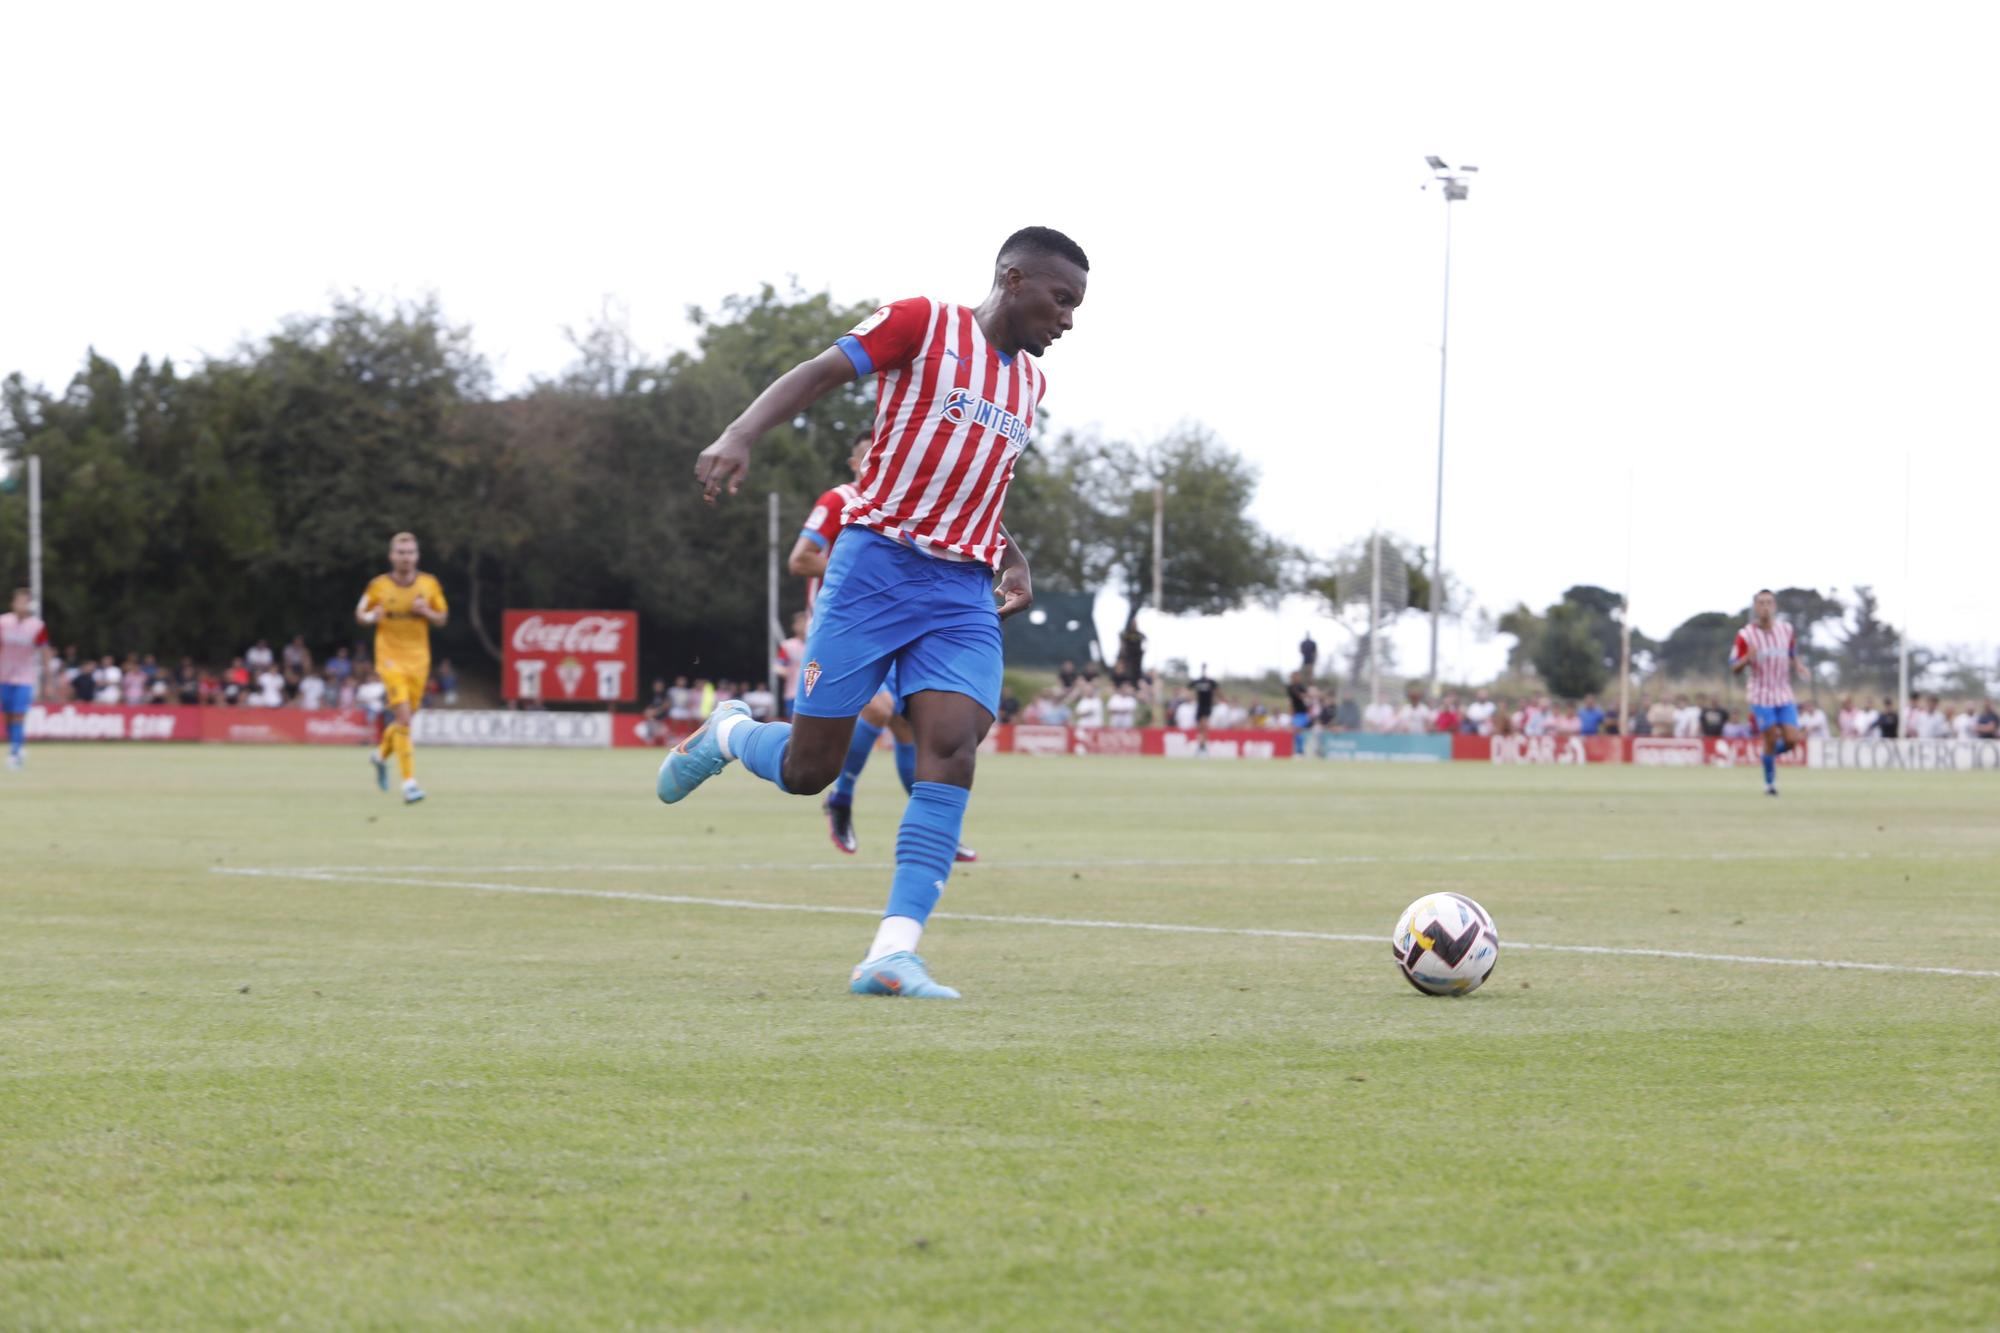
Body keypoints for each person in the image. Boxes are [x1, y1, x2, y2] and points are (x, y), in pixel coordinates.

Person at [658, 225, 1082, 999]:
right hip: (873, 569)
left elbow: (973, 480)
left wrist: (1010, 554)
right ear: (1014, 280)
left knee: (950, 749)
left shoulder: (1032, 387)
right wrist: (741, 431)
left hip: (959, 591)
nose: (1069, 320)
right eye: (1062, 299)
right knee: (807, 769)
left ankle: (892, 950)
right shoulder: (921, 323)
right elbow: (821, 373)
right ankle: (727, 733)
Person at [787, 430, 975, 862]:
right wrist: (865, 568)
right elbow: (800, 559)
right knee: (878, 708)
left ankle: (932, 829)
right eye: (868, 455)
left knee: (907, 723)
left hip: (899, 627)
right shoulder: (841, 500)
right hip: (849, 628)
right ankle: (841, 797)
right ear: (856, 463)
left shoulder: (906, 507)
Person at [356, 531, 448, 804]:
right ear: (391, 556)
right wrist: (373, 616)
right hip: (390, 658)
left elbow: (442, 617)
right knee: (405, 718)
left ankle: (379, 756)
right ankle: (409, 784)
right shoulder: (378, 586)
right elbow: (360, 613)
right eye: (401, 552)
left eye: (410, 553)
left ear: (417, 556)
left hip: (419, 659)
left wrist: (427, 612)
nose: (406, 558)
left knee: (403, 722)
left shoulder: (429, 585)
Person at [1730, 588, 1812, 796]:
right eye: (1761, 603)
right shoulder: (1745, 635)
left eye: (1769, 603)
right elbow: (1734, 668)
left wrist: (1799, 666)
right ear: (1755, 607)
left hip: (1783, 693)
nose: (1765, 607)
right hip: (1760, 694)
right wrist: (1747, 658)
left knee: (1792, 740)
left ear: (1774, 606)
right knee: (1770, 738)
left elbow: (1791, 652)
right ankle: (1770, 784)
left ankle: (1767, 757)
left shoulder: (1786, 630)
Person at [0, 589, 49, 770]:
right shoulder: (3, 622)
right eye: (19, 601)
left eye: (25, 602)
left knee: (19, 715)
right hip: (3, 676)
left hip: (25, 677)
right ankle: (16, 744)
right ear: (13, 603)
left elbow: (44, 651)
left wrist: (48, 679)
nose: (22, 605)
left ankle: (15, 753)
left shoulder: (37, 626)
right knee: (8, 716)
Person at [1189, 665, 1220, 754]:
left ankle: (1203, 746)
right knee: (1200, 728)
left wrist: (1216, 700)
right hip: (1199, 707)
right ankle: (1201, 746)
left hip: (1207, 707)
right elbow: (1189, 688)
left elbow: (1217, 690)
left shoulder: (1211, 682)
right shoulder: (1197, 682)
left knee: (1204, 726)